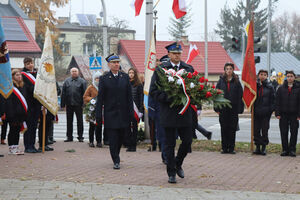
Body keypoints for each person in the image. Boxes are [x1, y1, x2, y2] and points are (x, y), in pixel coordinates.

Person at [149, 42, 194, 184]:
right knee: (169, 144)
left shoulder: (188, 69)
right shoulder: (161, 70)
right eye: (174, 53)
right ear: (168, 55)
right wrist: (169, 98)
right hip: (168, 112)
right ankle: (171, 172)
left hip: (184, 112)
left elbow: (195, 87)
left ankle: (178, 163)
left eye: (179, 53)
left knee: (187, 141)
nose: (177, 55)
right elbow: (153, 92)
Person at [95, 53, 134, 170]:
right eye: (114, 63)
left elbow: (129, 97)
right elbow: (100, 98)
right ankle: (116, 160)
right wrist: (98, 115)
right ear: (109, 65)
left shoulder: (125, 77)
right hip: (110, 114)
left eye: (118, 62)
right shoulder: (104, 79)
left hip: (123, 114)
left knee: (121, 138)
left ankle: (116, 154)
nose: (116, 64)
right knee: (113, 139)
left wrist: (131, 113)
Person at [214, 62, 244, 154]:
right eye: (227, 69)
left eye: (230, 69)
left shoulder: (237, 81)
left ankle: (231, 148)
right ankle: (224, 148)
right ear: (224, 70)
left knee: (232, 129)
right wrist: (216, 108)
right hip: (223, 109)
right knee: (224, 128)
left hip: (233, 109)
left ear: (233, 70)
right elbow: (216, 95)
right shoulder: (221, 81)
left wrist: (240, 108)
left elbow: (240, 96)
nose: (229, 71)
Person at [275, 70, 300, 157]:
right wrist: (277, 113)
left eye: (291, 76)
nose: (289, 78)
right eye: (288, 76)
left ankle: (292, 150)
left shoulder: (298, 88)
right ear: (286, 77)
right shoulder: (281, 88)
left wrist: (299, 115)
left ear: (294, 77)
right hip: (283, 114)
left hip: (294, 114)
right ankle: (285, 149)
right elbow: (277, 102)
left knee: (294, 132)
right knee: (284, 132)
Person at [4, 69, 27, 155]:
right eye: (17, 75)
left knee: (17, 130)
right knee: (13, 130)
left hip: (20, 113)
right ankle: (11, 148)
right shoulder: (10, 87)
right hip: (13, 113)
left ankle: (16, 147)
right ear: (13, 76)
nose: (19, 76)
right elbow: (9, 102)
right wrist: (10, 113)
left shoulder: (22, 86)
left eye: (20, 75)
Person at [253, 70, 275, 156]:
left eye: (264, 75)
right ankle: (257, 147)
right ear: (258, 75)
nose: (262, 76)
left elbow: (274, 99)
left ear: (267, 76)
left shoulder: (270, 87)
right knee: (256, 130)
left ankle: (264, 147)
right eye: (261, 74)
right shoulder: (254, 86)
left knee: (265, 130)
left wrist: (270, 110)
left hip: (266, 113)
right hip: (256, 112)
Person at [61, 67, 87, 142]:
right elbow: (63, 93)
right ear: (70, 72)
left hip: (78, 104)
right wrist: (63, 105)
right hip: (69, 104)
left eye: (75, 71)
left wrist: (84, 104)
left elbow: (85, 94)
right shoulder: (66, 81)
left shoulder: (82, 81)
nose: (74, 72)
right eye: (72, 71)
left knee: (80, 121)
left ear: (78, 72)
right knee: (69, 121)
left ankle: (80, 136)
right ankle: (69, 137)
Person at [21, 57, 41, 153]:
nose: (30, 65)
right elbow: (25, 88)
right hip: (29, 103)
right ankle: (27, 146)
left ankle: (32, 145)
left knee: (34, 126)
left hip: (36, 103)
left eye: (31, 63)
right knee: (28, 126)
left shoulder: (37, 74)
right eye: (27, 64)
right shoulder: (23, 75)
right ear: (25, 65)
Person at [83, 71, 103, 148]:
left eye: (99, 78)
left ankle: (99, 141)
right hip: (92, 109)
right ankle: (91, 141)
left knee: (99, 126)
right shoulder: (91, 87)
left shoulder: (103, 87)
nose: (98, 80)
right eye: (96, 78)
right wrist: (93, 99)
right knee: (92, 126)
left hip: (101, 109)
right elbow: (85, 97)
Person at [126, 67, 144, 152]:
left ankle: (134, 145)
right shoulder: (126, 84)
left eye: (132, 73)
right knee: (127, 127)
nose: (131, 74)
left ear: (135, 74)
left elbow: (141, 98)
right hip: (127, 108)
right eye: (129, 73)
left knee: (135, 128)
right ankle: (129, 145)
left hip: (136, 110)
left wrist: (141, 110)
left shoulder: (139, 84)